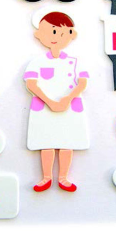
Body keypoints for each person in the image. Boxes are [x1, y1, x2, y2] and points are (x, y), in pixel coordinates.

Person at [23, 11, 90, 192]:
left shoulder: (75, 62)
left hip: (70, 108)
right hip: (44, 108)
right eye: (50, 32)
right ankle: (46, 178)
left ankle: (63, 178)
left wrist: (67, 99)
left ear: (71, 34)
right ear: (39, 35)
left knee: (67, 142)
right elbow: (31, 84)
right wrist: (49, 102)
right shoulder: (37, 62)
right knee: (46, 142)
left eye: (60, 33)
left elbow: (82, 83)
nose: (55, 37)